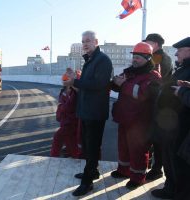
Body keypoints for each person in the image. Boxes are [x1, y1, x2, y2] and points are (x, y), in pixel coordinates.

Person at [63, 30, 113, 196]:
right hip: (85, 111)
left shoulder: (103, 60)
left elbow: (99, 84)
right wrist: (74, 78)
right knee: (87, 145)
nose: (85, 44)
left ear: (96, 41)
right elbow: (85, 85)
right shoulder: (90, 60)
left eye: (88, 40)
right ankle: (92, 172)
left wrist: (75, 81)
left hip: (95, 112)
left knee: (91, 147)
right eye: (83, 41)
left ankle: (87, 183)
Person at [110, 42, 161, 189]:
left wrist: (124, 84)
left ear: (147, 58)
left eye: (138, 57)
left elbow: (143, 94)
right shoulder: (130, 71)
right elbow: (118, 85)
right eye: (134, 56)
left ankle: (138, 178)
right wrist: (114, 82)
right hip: (125, 117)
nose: (135, 60)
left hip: (140, 122)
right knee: (123, 147)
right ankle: (124, 170)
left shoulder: (153, 75)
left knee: (138, 151)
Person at [151, 37, 190, 199]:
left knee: (176, 160)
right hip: (170, 121)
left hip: (180, 123)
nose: (176, 53)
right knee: (168, 156)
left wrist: (181, 92)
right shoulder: (182, 68)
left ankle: (176, 191)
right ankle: (171, 187)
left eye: (180, 50)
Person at [143, 33, 174, 181]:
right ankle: (151, 166)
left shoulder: (161, 58)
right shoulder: (156, 57)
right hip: (154, 104)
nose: (146, 44)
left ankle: (157, 170)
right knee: (153, 138)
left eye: (148, 42)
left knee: (159, 140)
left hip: (161, 106)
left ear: (155, 44)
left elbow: (159, 81)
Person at [50, 68, 80, 158]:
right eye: (65, 75)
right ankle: (75, 156)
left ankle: (53, 158)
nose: (65, 77)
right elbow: (60, 105)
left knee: (57, 137)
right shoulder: (63, 91)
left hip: (71, 122)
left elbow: (69, 107)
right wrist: (60, 113)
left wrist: (62, 108)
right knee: (70, 142)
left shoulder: (75, 92)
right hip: (64, 121)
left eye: (68, 75)